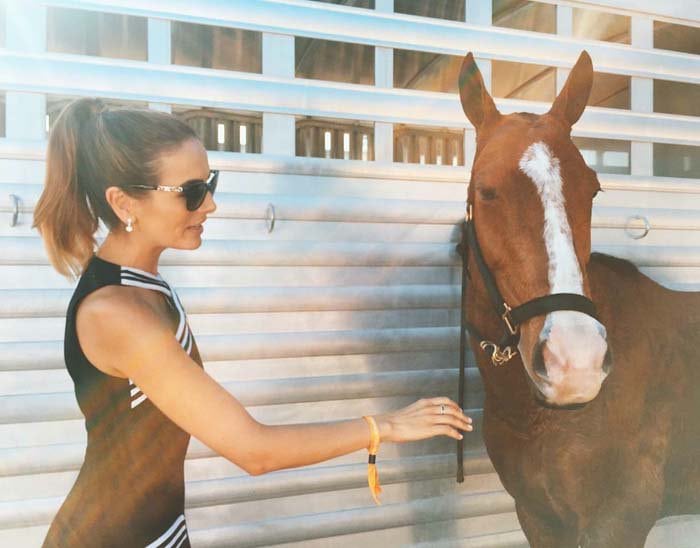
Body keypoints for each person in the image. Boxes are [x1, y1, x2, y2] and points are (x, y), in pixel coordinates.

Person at [32, 98, 473, 548]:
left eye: (210, 184)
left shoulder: (142, 281)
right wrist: (386, 426)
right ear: (125, 203)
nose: (211, 205)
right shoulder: (117, 313)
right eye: (191, 192)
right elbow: (253, 450)